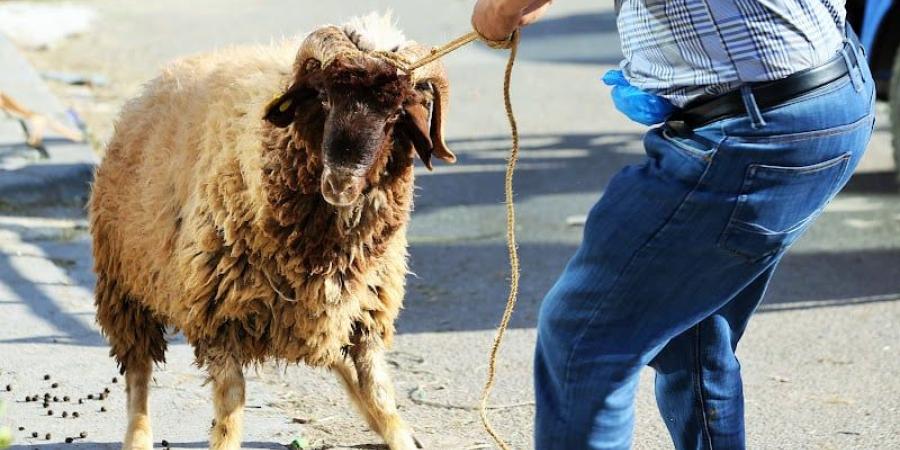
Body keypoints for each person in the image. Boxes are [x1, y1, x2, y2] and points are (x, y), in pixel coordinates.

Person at [472, 1, 875, 449]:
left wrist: (495, 14)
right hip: (832, 92)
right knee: (693, 330)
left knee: (584, 335)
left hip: (758, 131)